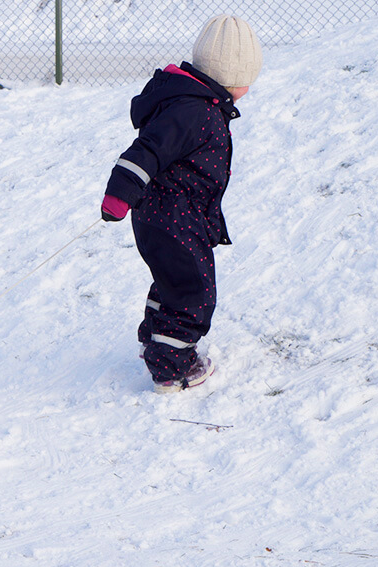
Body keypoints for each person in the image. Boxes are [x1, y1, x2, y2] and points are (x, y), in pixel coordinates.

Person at [99, 15, 262, 393]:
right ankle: (172, 368)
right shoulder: (195, 112)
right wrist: (119, 193)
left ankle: (157, 340)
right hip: (173, 219)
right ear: (228, 74)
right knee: (193, 292)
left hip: (167, 216)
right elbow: (148, 150)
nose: (250, 87)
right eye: (246, 77)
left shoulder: (196, 104)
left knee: (173, 282)